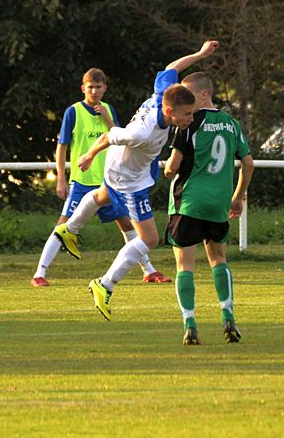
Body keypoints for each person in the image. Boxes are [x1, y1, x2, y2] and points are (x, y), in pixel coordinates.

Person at [53, 40, 218, 320]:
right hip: (127, 178)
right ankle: (104, 285)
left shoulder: (162, 94)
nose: (191, 119)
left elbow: (172, 67)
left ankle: (69, 228)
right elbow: (110, 135)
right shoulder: (141, 133)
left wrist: (201, 55)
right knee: (150, 238)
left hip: (129, 170)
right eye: (187, 114)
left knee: (103, 196)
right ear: (169, 112)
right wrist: (89, 156)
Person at [31, 69, 170, 287]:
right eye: (90, 87)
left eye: (98, 87)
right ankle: (40, 273)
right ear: (83, 88)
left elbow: (118, 136)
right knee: (65, 223)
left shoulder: (107, 109)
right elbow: (62, 146)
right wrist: (61, 177)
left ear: (104, 88)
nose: (94, 91)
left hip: (111, 179)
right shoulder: (73, 112)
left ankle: (148, 270)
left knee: (128, 224)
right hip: (82, 180)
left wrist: (107, 118)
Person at [164, 70, 254, 345]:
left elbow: (173, 166)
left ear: (203, 93)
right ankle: (228, 315)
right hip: (219, 203)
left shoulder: (189, 124)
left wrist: (168, 170)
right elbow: (248, 163)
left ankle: (190, 322)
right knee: (218, 258)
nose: (187, 101)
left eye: (190, 94)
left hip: (189, 201)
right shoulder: (231, 123)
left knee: (184, 265)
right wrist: (238, 197)